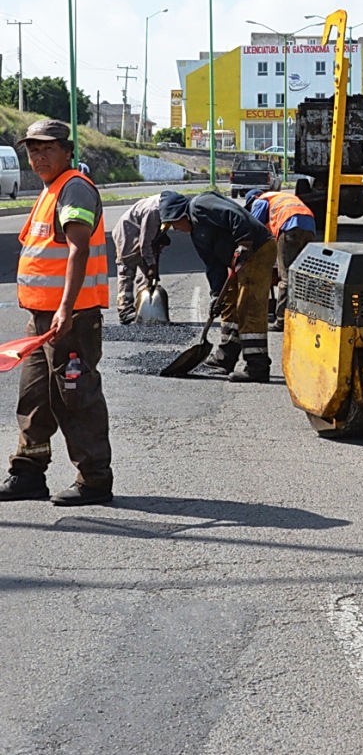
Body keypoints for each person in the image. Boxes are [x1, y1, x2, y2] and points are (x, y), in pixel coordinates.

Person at [0, 119, 113, 505]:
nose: (39, 156)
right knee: (34, 397)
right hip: (42, 319)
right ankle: (28, 473)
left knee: (75, 397)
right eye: (33, 150)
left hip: (71, 318)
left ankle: (95, 480)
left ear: (68, 151)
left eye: (47, 148)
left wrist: (65, 308)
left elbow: (78, 249)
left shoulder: (73, 188)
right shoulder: (51, 190)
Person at [159, 190, 277, 383]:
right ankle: (225, 357)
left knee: (248, 306)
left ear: (181, 214)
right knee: (228, 303)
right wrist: (216, 295)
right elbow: (213, 266)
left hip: (257, 250)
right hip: (239, 260)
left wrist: (244, 242)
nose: (175, 229)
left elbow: (234, 215)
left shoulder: (201, 204)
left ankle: (257, 366)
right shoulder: (197, 236)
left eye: (174, 223)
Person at [244, 188, 316, 332]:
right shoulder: (281, 197)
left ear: (254, 199)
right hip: (310, 227)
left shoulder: (261, 200)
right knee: (303, 275)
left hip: (290, 227)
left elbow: (254, 228)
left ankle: (281, 320)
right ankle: (304, 317)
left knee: (286, 278)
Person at [111, 193, 169, 324]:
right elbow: (145, 244)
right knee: (127, 270)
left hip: (142, 230)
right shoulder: (153, 211)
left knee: (146, 273)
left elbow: (153, 235)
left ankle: (143, 309)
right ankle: (125, 311)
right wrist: (152, 265)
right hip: (127, 233)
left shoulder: (169, 207)